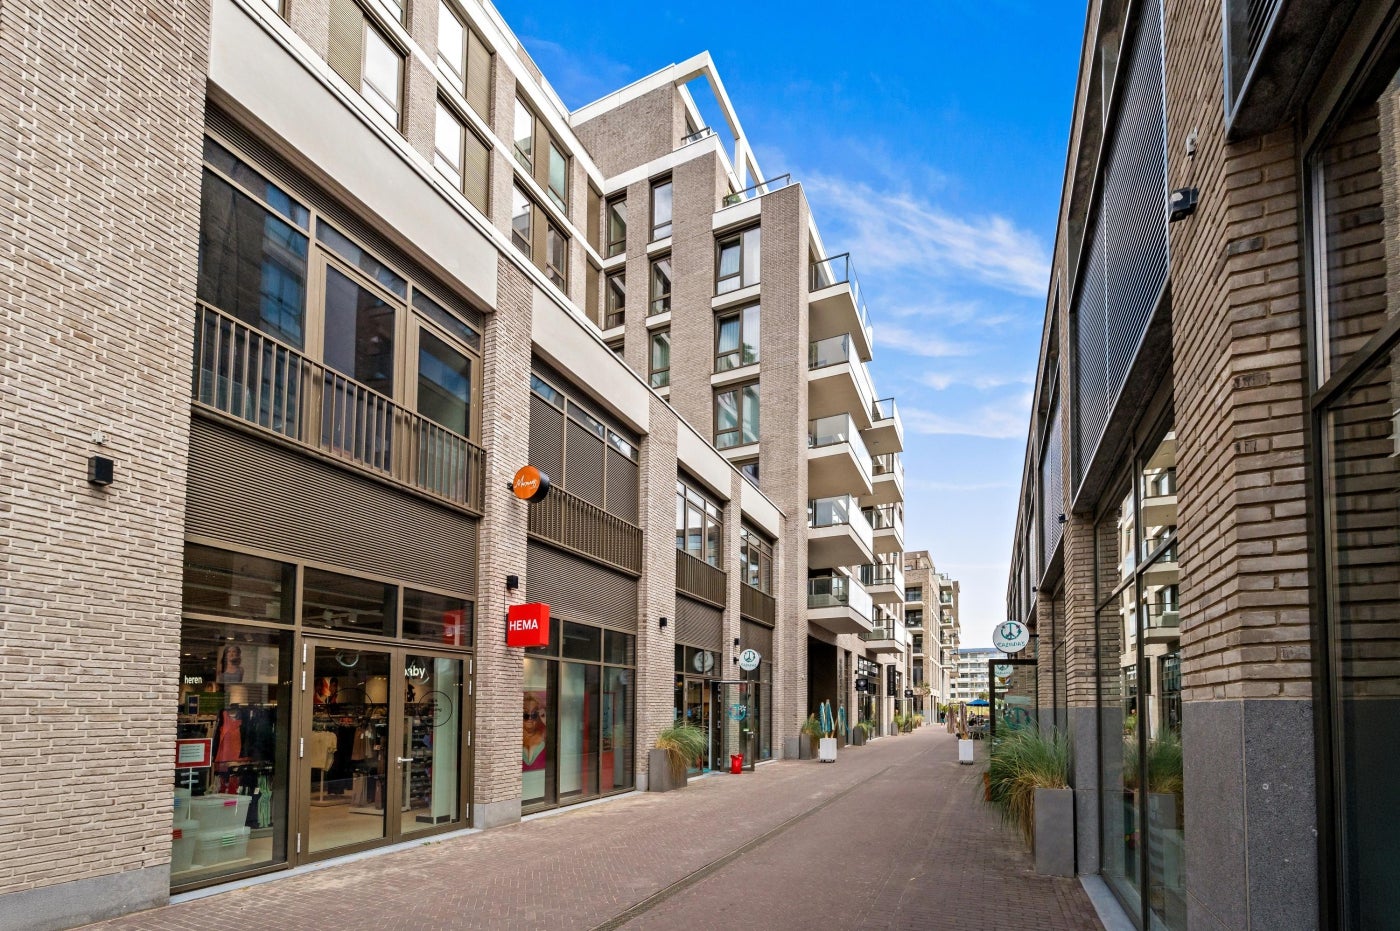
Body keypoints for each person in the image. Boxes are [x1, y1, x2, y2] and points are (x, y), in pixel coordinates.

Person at [522, 694, 546, 771]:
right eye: (525, 714)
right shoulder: (513, 740)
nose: (530, 718)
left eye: (534, 715)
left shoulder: (544, 740)